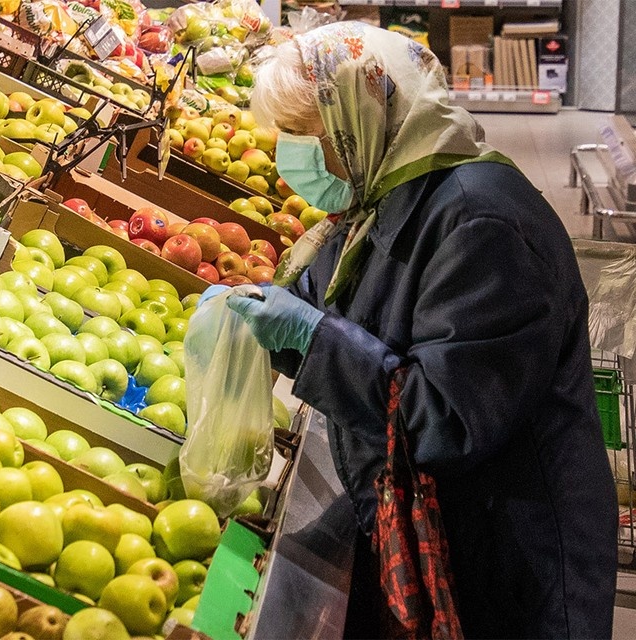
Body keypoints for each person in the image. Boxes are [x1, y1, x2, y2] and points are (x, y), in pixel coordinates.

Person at [218, 21, 617, 638]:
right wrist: (260, 317)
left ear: (360, 117)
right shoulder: (379, 196)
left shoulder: (482, 225)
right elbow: (338, 298)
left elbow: (446, 419)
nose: (288, 155)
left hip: (506, 565)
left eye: (301, 135)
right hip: (442, 529)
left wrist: (311, 337)